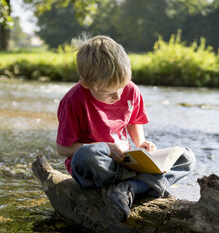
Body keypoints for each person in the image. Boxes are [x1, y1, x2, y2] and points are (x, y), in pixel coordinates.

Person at [56, 35, 196, 222]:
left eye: (121, 87)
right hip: (98, 168)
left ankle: (128, 188)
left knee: (187, 157)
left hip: (125, 162)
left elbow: (133, 121)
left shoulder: (131, 90)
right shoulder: (73, 100)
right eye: (109, 92)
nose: (118, 95)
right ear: (86, 84)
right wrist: (105, 147)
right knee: (86, 155)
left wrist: (141, 143)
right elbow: (63, 149)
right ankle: (145, 185)